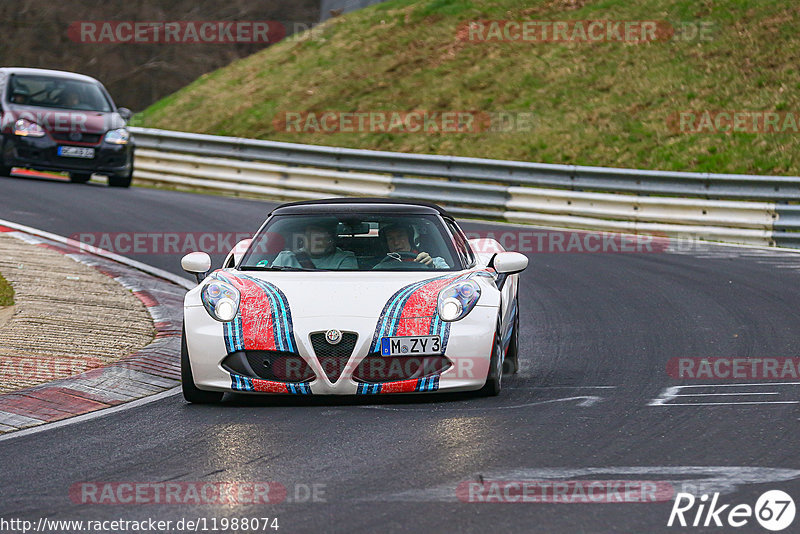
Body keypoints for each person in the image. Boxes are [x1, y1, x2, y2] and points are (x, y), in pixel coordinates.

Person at [271, 220, 357, 270]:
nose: (315, 242)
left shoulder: (344, 259)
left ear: (330, 240)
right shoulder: (285, 258)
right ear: (303, 239)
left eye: (321, 238)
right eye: (311, 237)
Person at [377, 223, 449, 268]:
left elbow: (449, 281)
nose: (396, 242)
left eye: (400, 236)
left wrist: (432, 267)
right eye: (390, 238)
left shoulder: (436, 262)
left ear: (411, 238)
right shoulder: (378, 267)